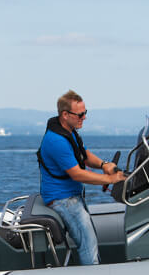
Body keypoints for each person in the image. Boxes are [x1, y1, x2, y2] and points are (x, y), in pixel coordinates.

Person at [37, 90, 126, 265]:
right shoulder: (56, 141)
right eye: (80, 114)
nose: (84, 117)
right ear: (65, 114)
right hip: (63, 199)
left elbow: (83, 155)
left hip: (72, 196)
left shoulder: (68, 131)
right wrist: (110, 180)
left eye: (85, 113)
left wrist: (103, 165)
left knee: (90, 241)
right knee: (88, 245)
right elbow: (77, 174)